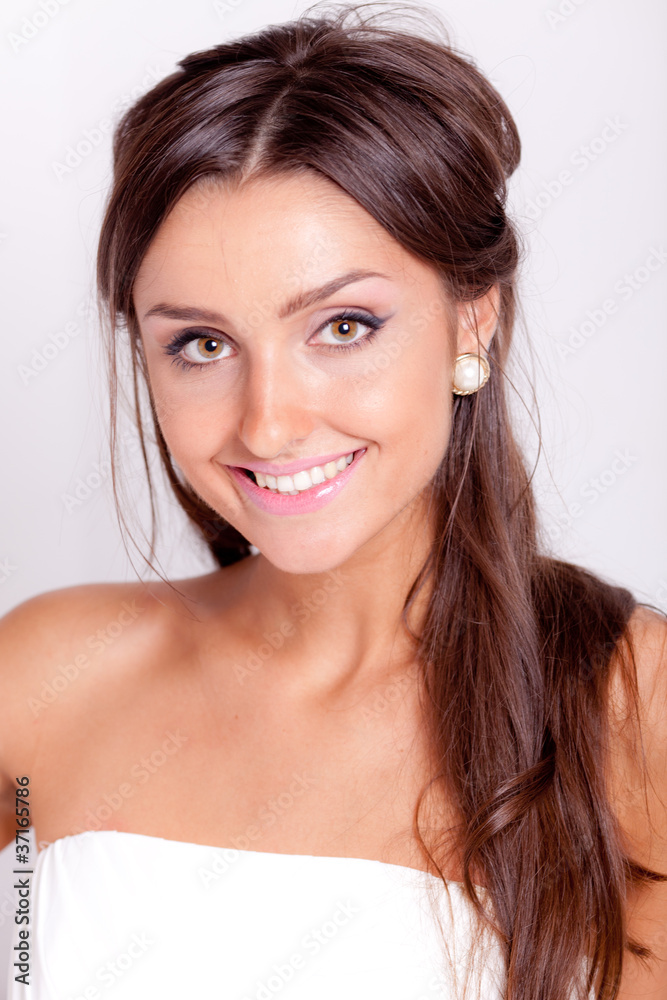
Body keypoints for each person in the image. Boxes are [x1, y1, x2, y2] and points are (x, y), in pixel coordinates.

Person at [1, 3, 665, 998]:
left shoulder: (626, 702)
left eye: (342, 325)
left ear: (470, 321)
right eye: (202, 344)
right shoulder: (47, 675)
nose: (267, 424)